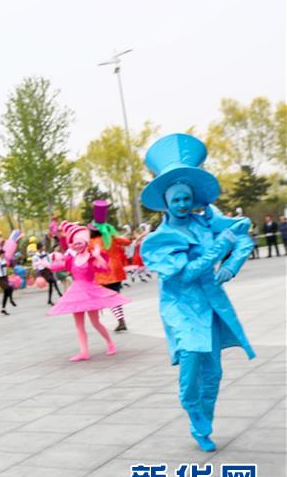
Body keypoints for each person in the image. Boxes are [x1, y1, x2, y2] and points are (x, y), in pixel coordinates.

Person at [139, 133, 255, 452]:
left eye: (186, 198)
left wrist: (233, 264)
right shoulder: (158, 240)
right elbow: (188, 274)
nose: (182, 204)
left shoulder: (206, 222)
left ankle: (203, 423)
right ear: (166, 202)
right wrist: (222, 246)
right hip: (181, 308)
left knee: (214, 372)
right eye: (176, 199)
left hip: (212, 306)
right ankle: (193, 411)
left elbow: (243, 233)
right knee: (191, 364)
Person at [48, 221, 129, 361]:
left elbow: (105, 269)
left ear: (85, 243)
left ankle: (110, 343)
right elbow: (59, 266)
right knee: (79, 325)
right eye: (74, 243)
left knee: (95, 322)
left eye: (80, 242)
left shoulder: (91, 258)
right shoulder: (71, 259)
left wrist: (97, 256)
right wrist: (46, 264)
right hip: (75, 294)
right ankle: (84, 352)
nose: (77, 245)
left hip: (90, 293)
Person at [88, 200, 131, 332]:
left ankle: (120, 321)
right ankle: (120, 320)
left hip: (103, 274)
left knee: (109, 298)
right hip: (116, 271)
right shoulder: (111, 238)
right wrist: (117, 235)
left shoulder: (91, 243)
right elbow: (127, 241)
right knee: (114, 296)